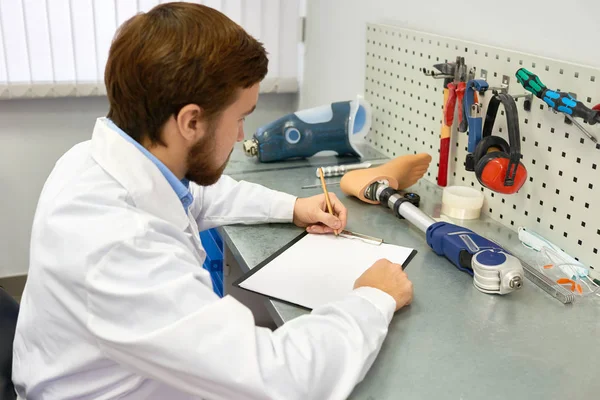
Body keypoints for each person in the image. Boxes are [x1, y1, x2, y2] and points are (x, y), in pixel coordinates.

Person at [12, 3, 413, 399]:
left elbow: (196, 195)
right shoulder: (118, 247)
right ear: (191, 121)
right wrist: (371, 298)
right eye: (240, 118)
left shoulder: (95, 159)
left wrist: (292, 207)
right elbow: (282, 379)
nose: (242, 136)